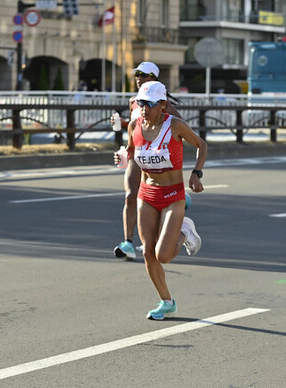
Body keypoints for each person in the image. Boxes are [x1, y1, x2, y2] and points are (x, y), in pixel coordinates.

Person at [115, 80, 207, 320]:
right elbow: (131, 151)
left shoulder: (175, 126)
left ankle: (185, 230)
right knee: (148, 253)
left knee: (163, 255)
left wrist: (196, 173)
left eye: (150, 104)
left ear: (163, 104)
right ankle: (167, 302)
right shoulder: (135, 125)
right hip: (147, 194)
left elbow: (201, 145)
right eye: (141, 103)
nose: (144, 108)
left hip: (173, 196)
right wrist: (123, 157)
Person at [112, 62, 183, 260]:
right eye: (137, 74)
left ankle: (179, 209)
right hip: (137, 154)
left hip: (157, 158)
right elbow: (136, 126)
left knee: (154, 199)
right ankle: (127, 242)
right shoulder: (134, 101)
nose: (139, 78)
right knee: (129, 195)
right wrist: (121, 124)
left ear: (154, 78)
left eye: (144, 75)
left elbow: (181, 127)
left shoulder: (162, 103)